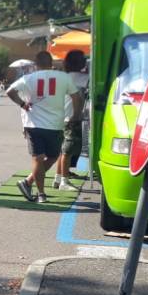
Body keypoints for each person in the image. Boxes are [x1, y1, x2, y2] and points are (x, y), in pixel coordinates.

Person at [7, 51, 83, 203]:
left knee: (38, 158)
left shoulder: (28, 78)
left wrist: (22, 104)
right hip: (55, 124)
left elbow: (10, 91)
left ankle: (33, 187)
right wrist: (75, 115)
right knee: (52, 157)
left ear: (36, 65)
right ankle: (36, 190)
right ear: (51, 63)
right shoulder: (64, 77)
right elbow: (77, 97)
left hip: (33, 124)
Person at [55, 50, 89, 191]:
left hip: (61, 116)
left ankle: (58, 178)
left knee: (62, 150)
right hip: (73, 117)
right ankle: (64, 181)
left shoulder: (63, 77)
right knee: (68, 151)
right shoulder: (84, 78)